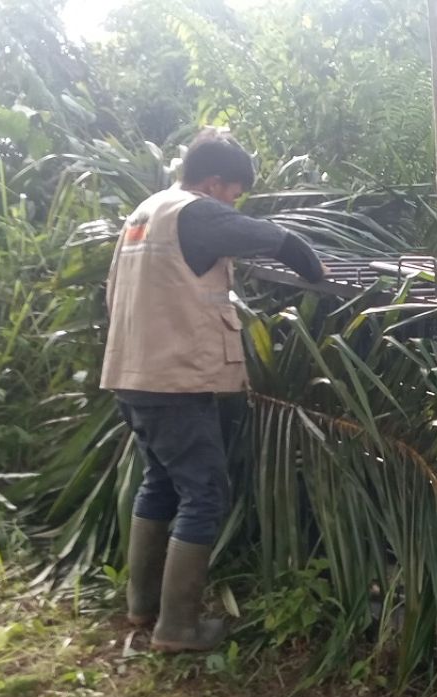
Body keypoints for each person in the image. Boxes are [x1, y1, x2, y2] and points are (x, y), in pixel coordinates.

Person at [101, 129, 325, 653]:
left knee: (160, 482)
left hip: (133, 375)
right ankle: (177, 629)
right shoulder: (196, 211)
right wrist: (318, 272)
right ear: (214, 182)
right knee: (205, 494)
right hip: (174, 380)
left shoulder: (145, 212)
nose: (234, 204)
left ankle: (143, 607)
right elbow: (281, 241)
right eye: (234, 193)